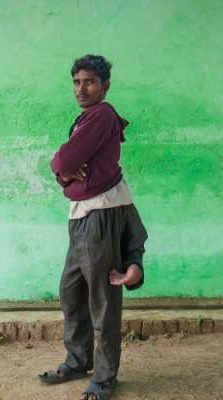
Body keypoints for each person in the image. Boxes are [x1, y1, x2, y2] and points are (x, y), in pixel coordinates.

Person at [38, 54, 148, 400]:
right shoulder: (88, 118)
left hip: (98, 216)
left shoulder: (100, 114)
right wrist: (65, 175)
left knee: (102, 301)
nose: (81, 89)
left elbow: (63, 161)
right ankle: (78, 361)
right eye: (76, 81)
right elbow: (66, 172)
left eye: (89, 82)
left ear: (105, 86)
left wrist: (62, 169)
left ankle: (104, 378)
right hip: (82, 216)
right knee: (71, 292)